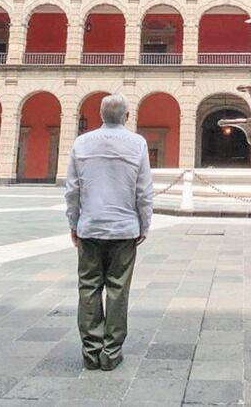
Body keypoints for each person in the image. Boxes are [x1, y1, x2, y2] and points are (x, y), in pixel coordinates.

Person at [64, 93, 153, 371]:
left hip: (90, 227)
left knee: (88, 288)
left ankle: (91, 352)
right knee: (118, 290)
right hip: (124, 229)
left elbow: (73, 190)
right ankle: (111, 353)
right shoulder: (137, 143)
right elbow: (144, 191)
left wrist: (73, 223)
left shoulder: (82, 142)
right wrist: (144, 224)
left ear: (101, 115)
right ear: (127, 117)